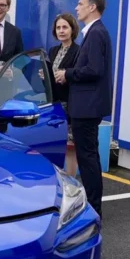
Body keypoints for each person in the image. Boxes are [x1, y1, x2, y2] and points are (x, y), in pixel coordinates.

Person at [56, 0, 112, 216]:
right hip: (87, 105)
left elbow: (94, 70)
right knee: (89, 157)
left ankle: (93, 209)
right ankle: (92, 205)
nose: (77, 8)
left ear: (92, 8)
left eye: (80, 4)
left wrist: (67, 74)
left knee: (88, 159)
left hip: (87, 106)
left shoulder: (96, 33)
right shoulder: (94, 33)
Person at [49, 13, 81, 175]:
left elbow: (78, 75)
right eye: (58, 27)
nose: (61, 31)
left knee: (70, 147)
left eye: (65, 27)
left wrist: (65, 77)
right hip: (54, 105)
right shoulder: (53, 50)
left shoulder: (78, 51)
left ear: (72, 29)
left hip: (69, 104)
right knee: (55, 145)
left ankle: (71, 180)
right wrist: (46, 75)